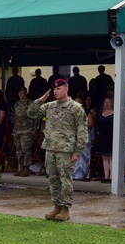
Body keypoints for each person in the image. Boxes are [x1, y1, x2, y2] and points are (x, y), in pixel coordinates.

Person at [28, 78, 88, 221]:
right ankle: (56, 206)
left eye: (59, 88)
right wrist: (41, 99)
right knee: (53, 179)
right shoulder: (49, 106)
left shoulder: (75, 107)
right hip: (50, 148)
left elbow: (82, 132)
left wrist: (78, 152)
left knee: (65, 179)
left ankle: (65, 208)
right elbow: (31, 113)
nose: (55, 91)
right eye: (54, 89)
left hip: (66, 150)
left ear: (66, 89)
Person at [12, 87, 36, 177]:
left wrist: (34, 128)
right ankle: (21, 168)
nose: (21, 94)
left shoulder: (30, 103)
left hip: (27, 130)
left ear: (26, 93)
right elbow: (15, 116)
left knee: (26, 150)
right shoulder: (17, 103)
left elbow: (35, 116)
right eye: (19, 92)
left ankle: (26, 169)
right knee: (18, 150)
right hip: (17, 129)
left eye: (22, 92)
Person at [72, 95, 97, 182]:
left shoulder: (86, 111)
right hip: (73, 137)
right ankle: (74, 174)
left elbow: (91, 123)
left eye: (79, 102)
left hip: (84, 136)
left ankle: (83, 175)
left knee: (84, 156)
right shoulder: (70, 112)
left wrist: (81, 126)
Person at [96, 97, 115, 183]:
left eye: (109, 102)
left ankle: (111, 176)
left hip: (111, 136)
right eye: (105, 102)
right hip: (102, 136)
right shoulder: (101, 113)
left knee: (111, 156)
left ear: (112, 104)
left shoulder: (115, 113)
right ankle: (106, 175)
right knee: (104, 156)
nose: (107, 104)